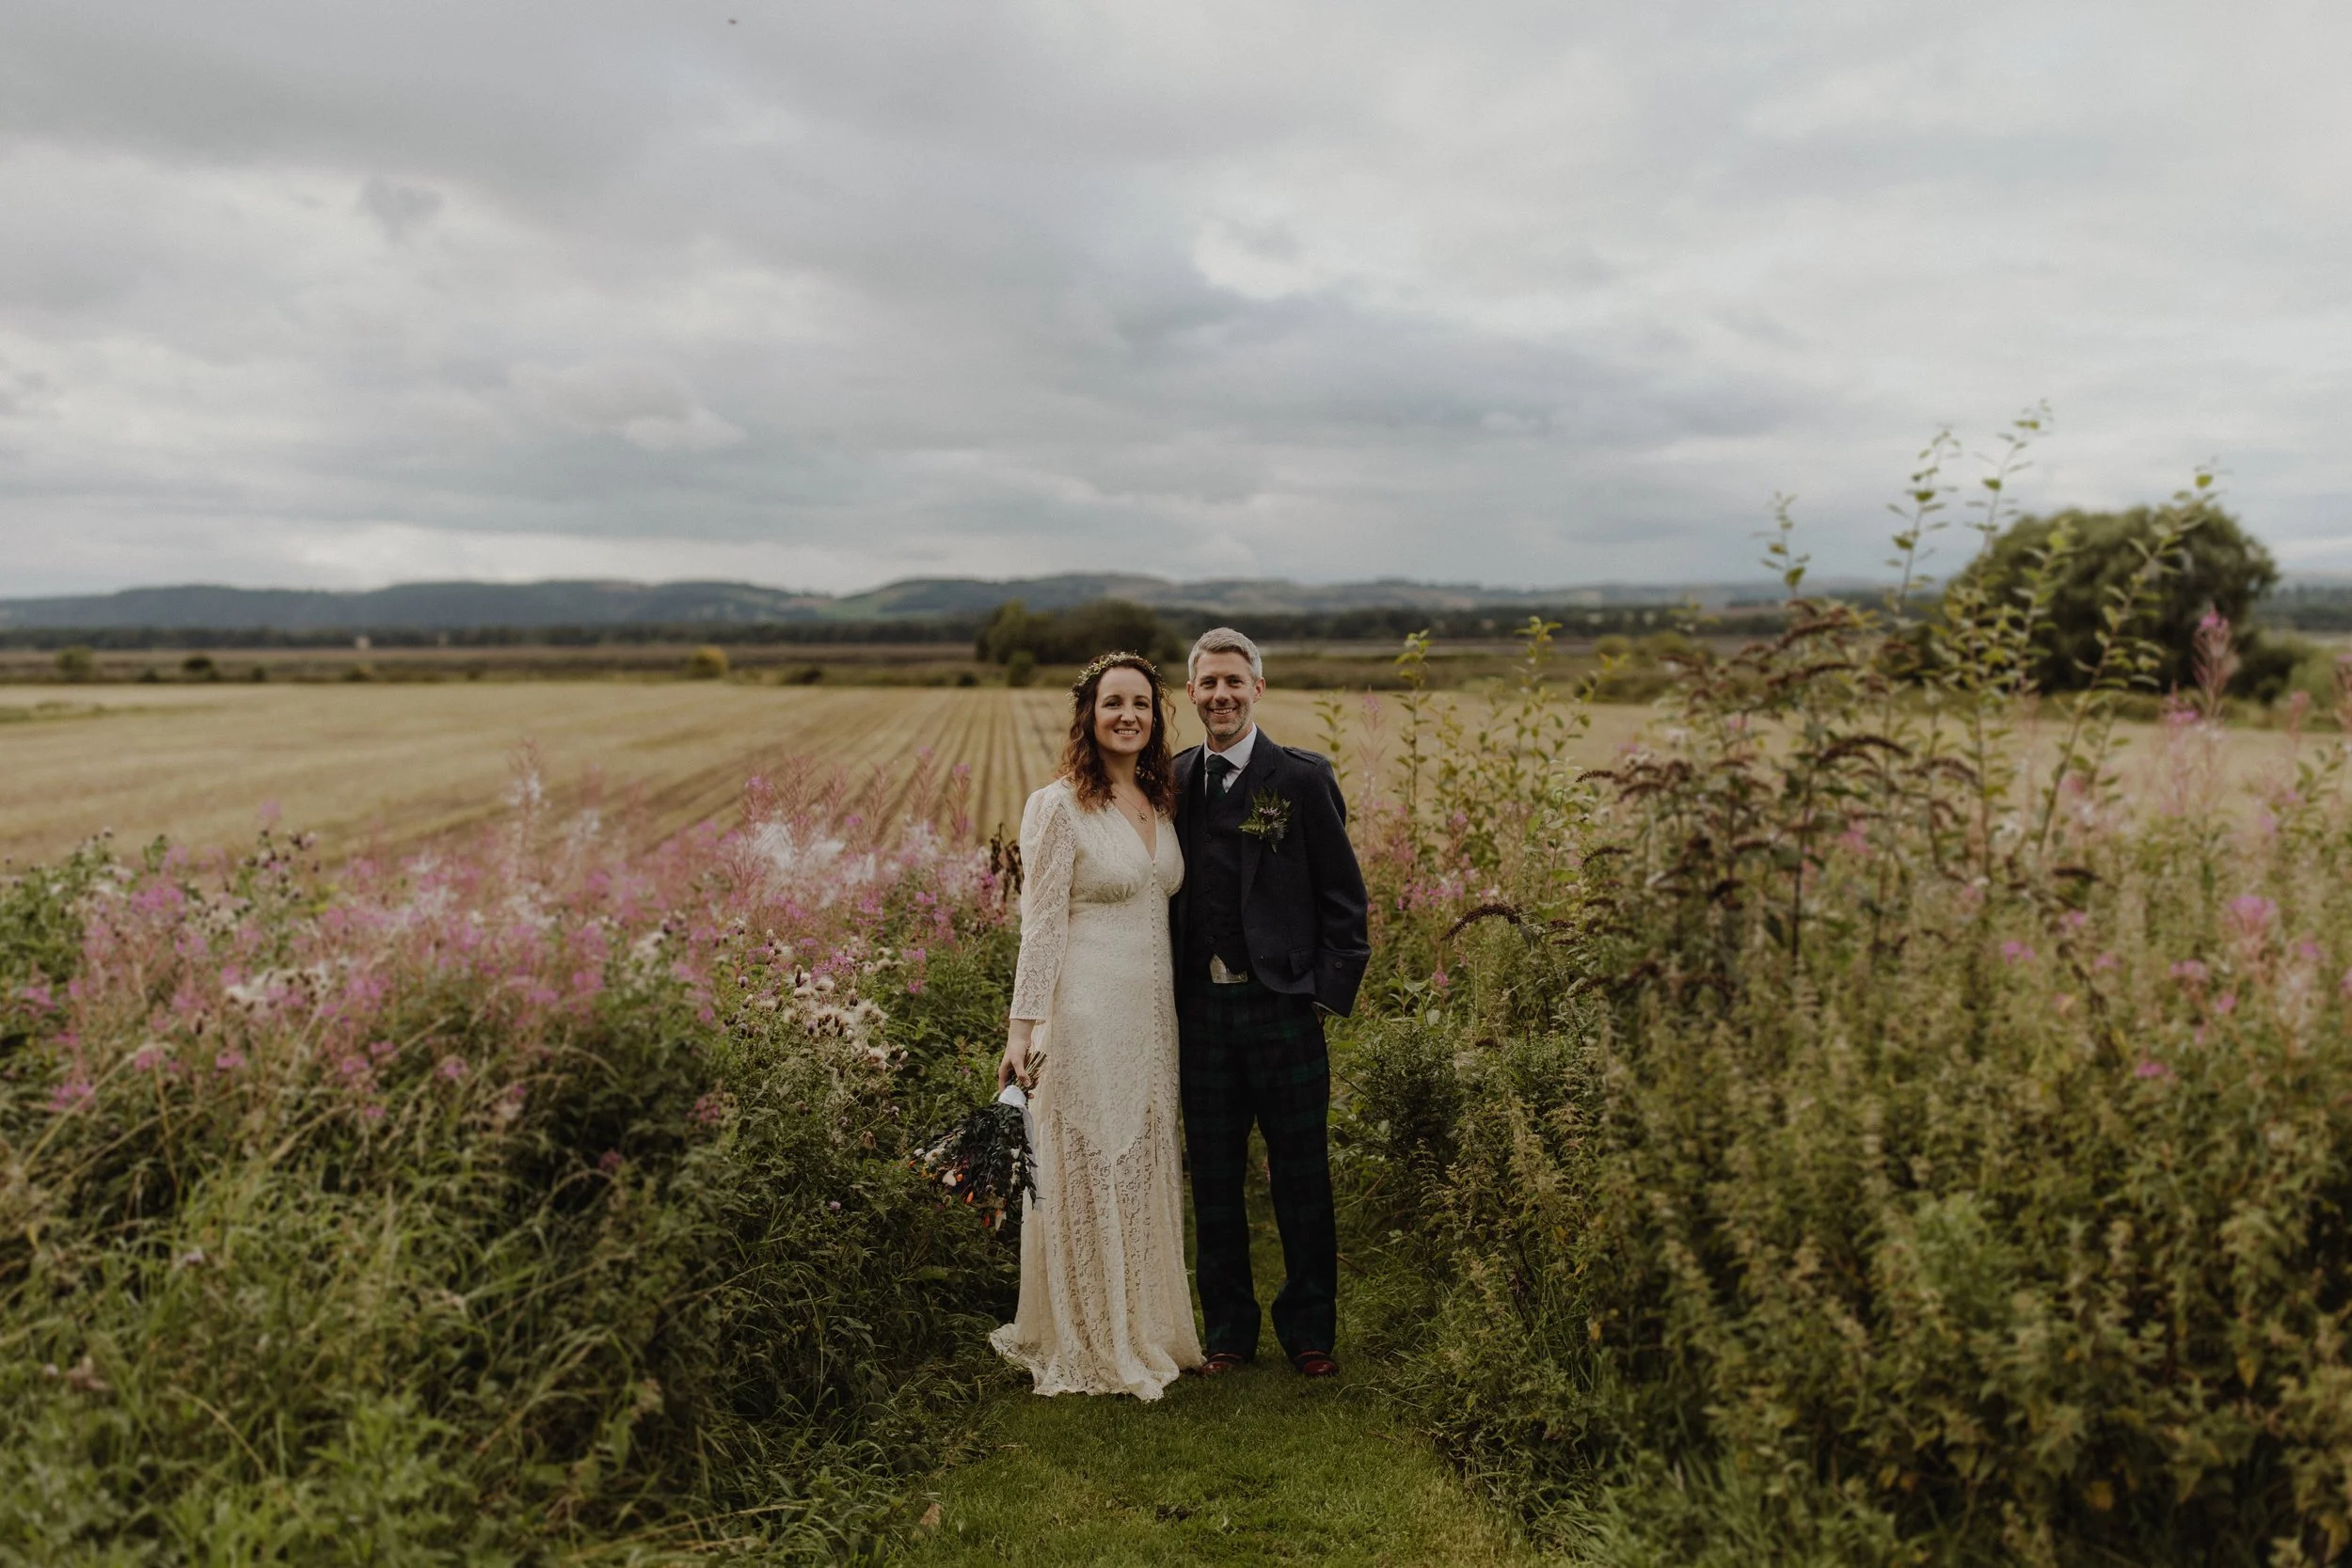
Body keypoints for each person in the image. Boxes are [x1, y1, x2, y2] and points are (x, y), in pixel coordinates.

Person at [991, 652, 1204, 1398]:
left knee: (1141, 1153)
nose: (1129, 716)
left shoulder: (1159, 798)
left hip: (1151, 1013)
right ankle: (1090, 1335)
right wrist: (1023, 1031)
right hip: (1081, 1012)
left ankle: (1141, 1322)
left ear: (1155, 716)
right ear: (1089, 714)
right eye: (1114, 703)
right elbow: (1041, 926)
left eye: (1142, 704)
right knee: (1089, 1160)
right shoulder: (1057, 806)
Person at [1170, 626, 1370, 1379]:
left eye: (1233, 681)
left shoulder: (1302, 779)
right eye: (1207, 683)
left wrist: (1320, 995)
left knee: (1301, 1175)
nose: (1220, 695)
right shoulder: (1175, 779)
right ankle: (1227, 1332)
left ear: (1257, 689)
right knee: (1215, 1179)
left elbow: (1345, 903)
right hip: (1202, 1018)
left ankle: (1309, 1328)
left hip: (1283, 1011)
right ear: (1191, 694)